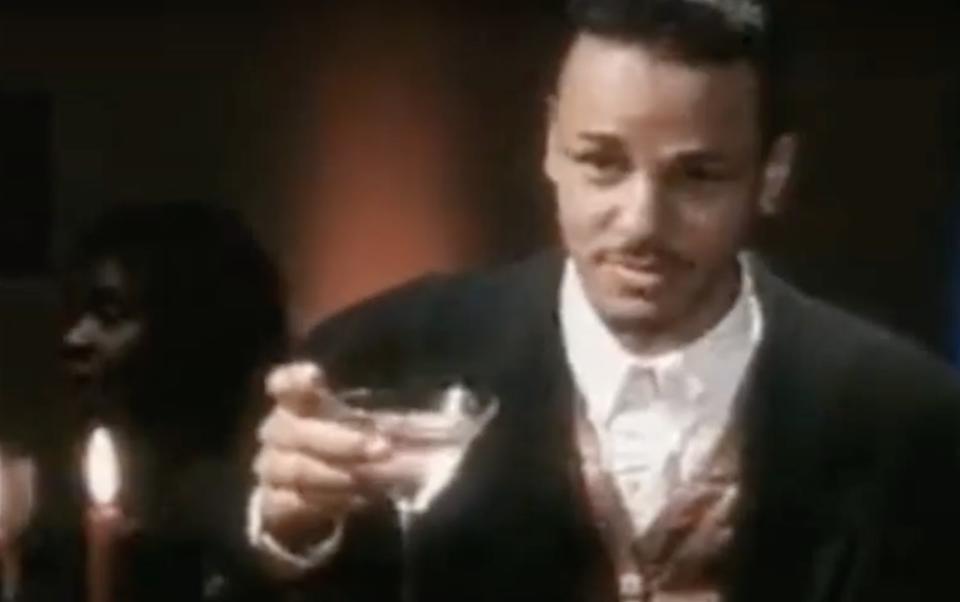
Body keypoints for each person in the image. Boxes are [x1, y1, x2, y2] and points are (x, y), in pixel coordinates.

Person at [250, 1, 960, 601]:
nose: (642, 222)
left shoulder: (908, 416)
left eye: (698, 176)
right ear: (551, 146)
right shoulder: (381, 354)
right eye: (602, 163)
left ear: (772, 175)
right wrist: (293, 535)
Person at [25, 201, 286, 601]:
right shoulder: (58, 529)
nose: (74, 338)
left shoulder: (257, 540)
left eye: (110, 314)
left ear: (189, 331)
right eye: (77, 312)